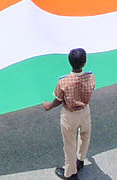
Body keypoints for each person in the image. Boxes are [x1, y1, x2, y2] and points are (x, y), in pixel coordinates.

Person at [43, 47, 94, 179]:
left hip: (70, 115)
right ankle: (81, 160)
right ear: (84, 63)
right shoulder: (91, 77)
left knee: (69, 144)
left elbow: (58, 99)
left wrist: (49, 106)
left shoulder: (64, 82)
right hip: (85, 111)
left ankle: (71, 172)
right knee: (85, 135)